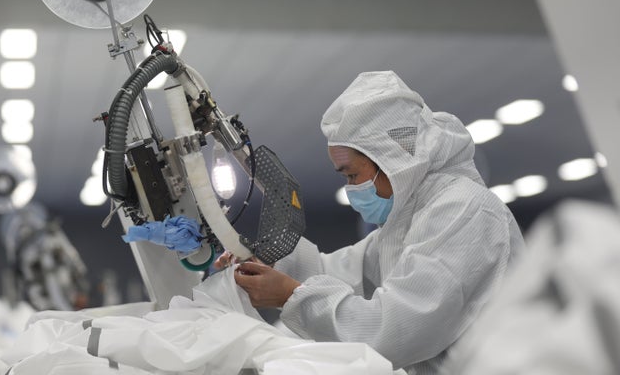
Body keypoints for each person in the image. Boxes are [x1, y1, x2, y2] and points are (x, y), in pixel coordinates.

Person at [215, 71, 524, 375]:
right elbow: (345, 274)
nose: (351, 188)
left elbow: (395, 328)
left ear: (393, 158)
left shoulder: (463, 211)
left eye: (351, 175)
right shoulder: (410, 218)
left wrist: (290, 296)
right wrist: (264, 266)